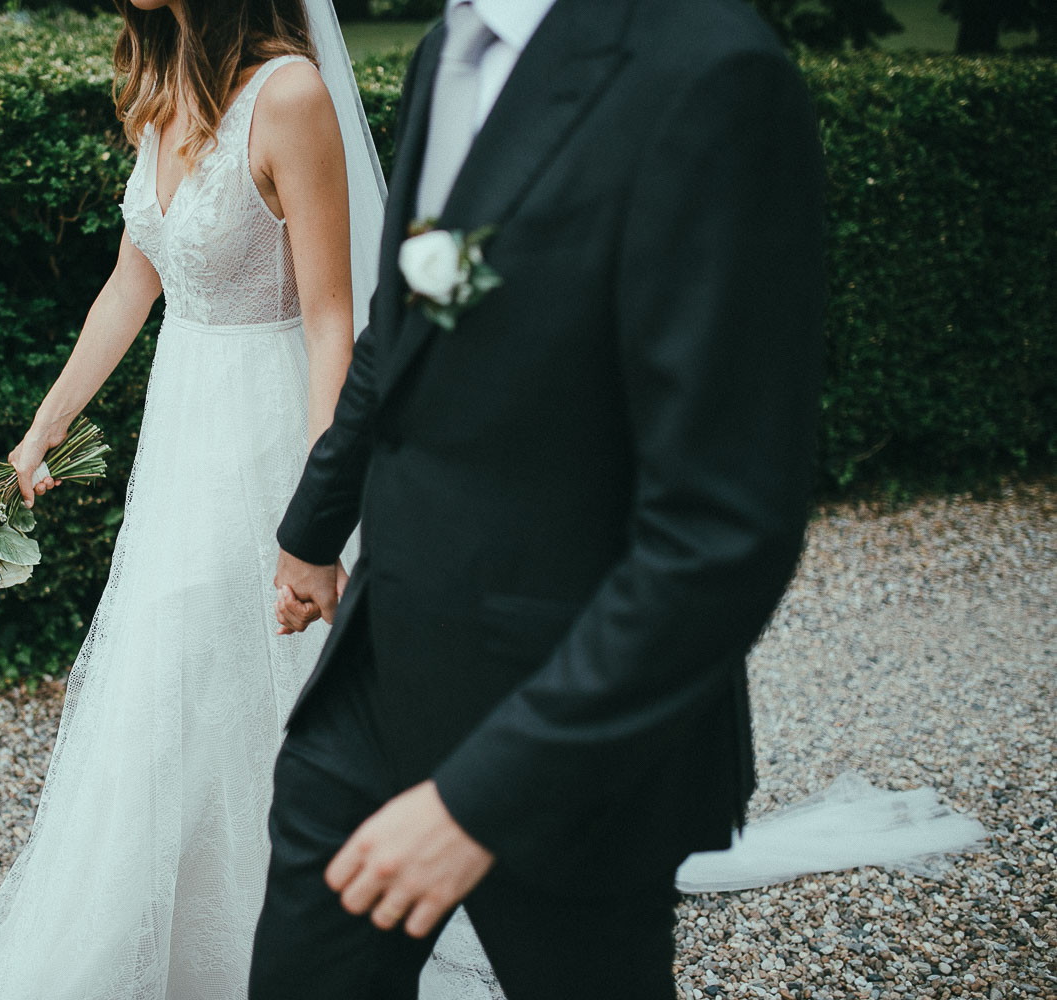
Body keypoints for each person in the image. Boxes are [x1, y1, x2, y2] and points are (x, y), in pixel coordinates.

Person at [0, 0, 497, 996]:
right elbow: (130, 283)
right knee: (164, 684)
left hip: (268, 441)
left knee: (250, 683)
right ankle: (160, 947)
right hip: (181, 449)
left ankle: (294, 944)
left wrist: (317, 510)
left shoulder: (291, 94)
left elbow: (329, 325)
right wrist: (39, 431)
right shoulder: (163, 87)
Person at [255, 0, 830, 996]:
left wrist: (481, 800)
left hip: (563, 720)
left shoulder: (712, 75)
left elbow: (723, 527)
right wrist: (315, 523)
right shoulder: (449, 49)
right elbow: (407, 317)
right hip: (378, 671)